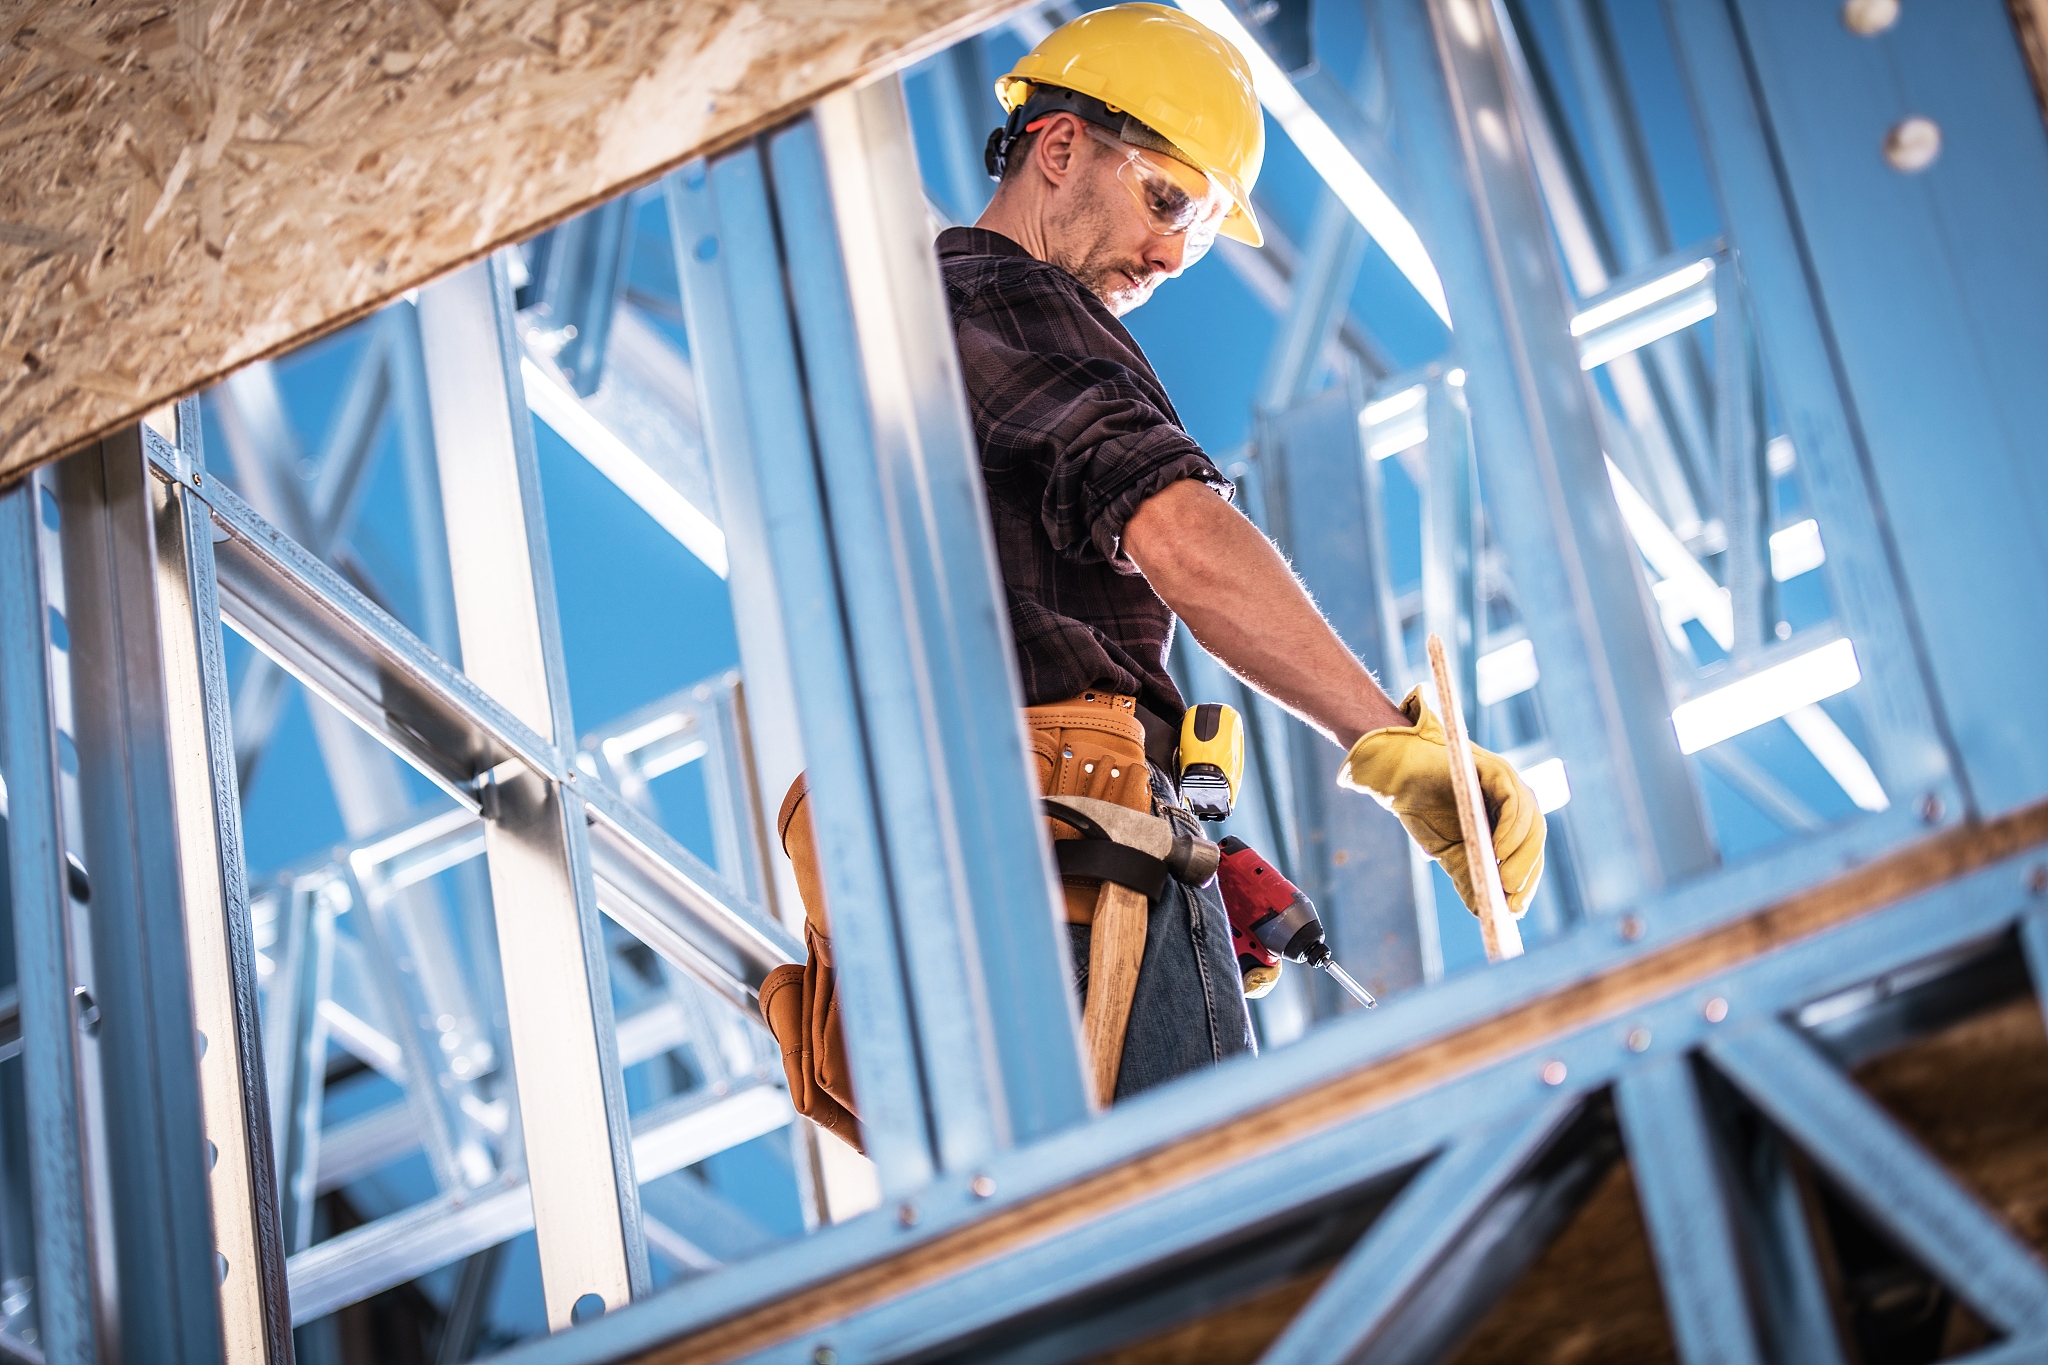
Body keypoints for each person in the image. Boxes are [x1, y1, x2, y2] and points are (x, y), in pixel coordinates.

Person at [760, 4, 1546, 1134]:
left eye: (1199, 224)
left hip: (927, 894)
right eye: (1166, 198)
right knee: (1226, 1233)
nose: (1172, 254)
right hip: (1048, 859)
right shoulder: (1005, 296)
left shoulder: (909, 365)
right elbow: (1174, 528)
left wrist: (1186, 846)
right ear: (1061, 146)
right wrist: (1385, 736)